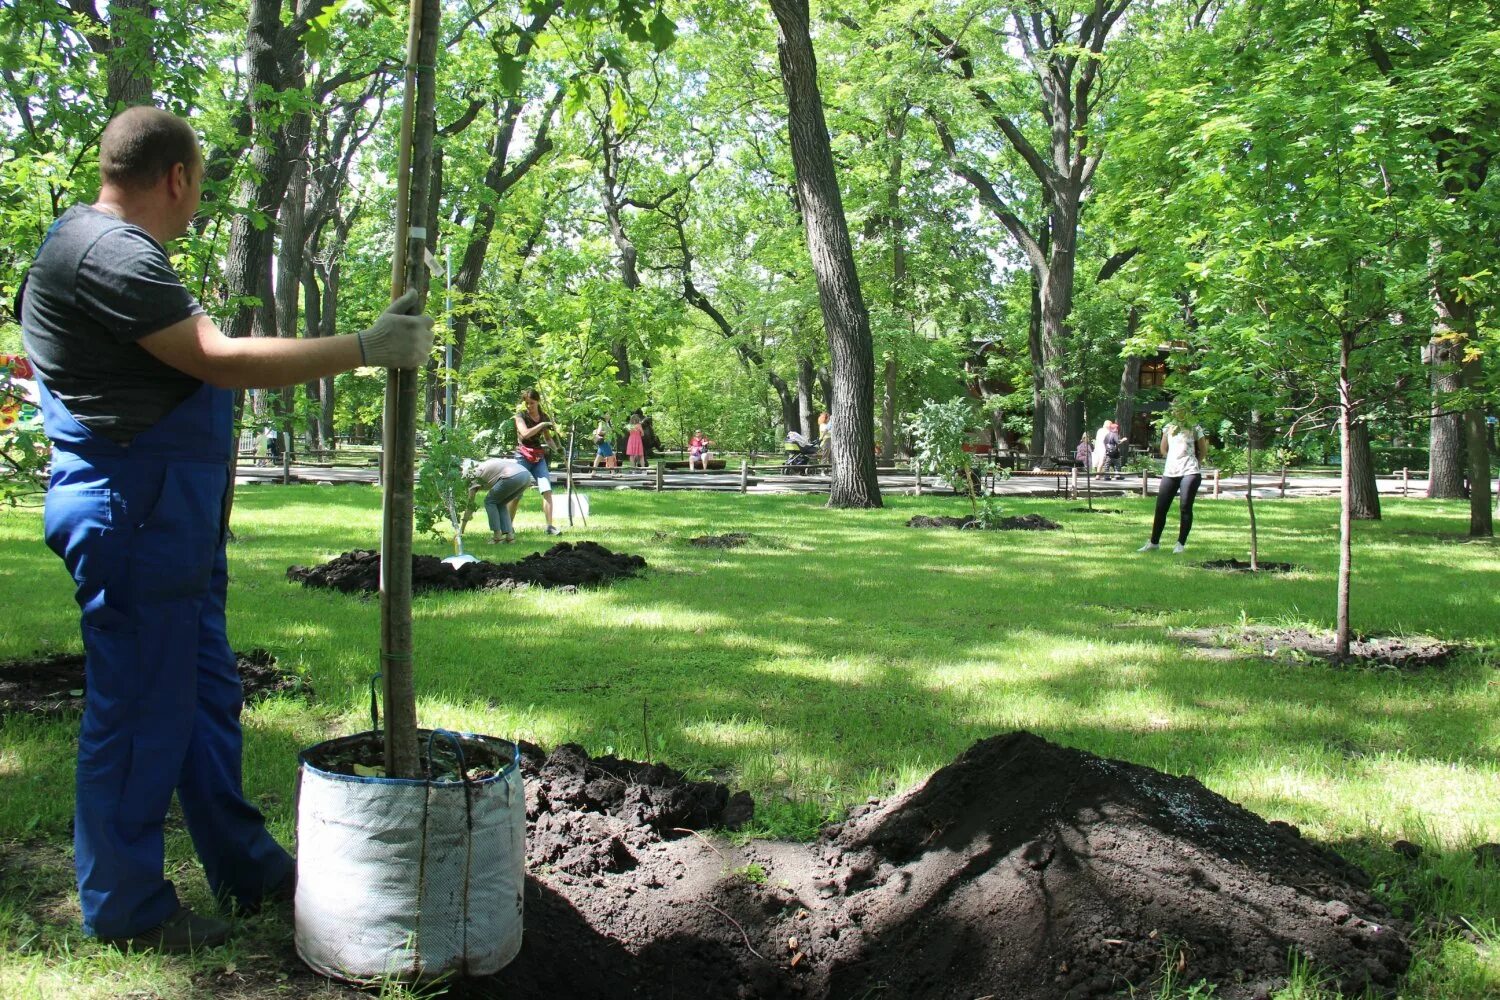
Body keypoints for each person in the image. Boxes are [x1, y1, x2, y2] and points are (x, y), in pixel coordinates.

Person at [18, 106, 434, 952]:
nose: (197, 197)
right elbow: (214, 356)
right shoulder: (111, 252)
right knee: (137, 712)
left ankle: (246, 868)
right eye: (200, 183)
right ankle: (127, 909)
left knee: (205, 700)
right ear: (177, 177)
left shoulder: (93, 246)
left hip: (167, 517)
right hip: (135, 511)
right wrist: (365, 346)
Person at [1140, 410, 1209, 553]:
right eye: (1175, 409)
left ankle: (1180, 544)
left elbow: (1203, 450)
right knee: (1161, 508)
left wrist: (1196, 461)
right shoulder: (1169, 427)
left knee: (1185, 507)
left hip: (1190, 471)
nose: (1178, 412)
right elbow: (1163, 449)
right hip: (1170, 472)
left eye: (1181, 408)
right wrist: (1173, 459)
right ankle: (1154, 543)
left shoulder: (1195, 428)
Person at [513, 389, 561, 535]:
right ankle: (508, 526)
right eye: (527, 403)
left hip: (538, 457)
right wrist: (542, 425)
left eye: (532, 403)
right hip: (522, 455)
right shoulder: (520, 416)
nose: (529, 406)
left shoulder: (544, 416)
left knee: (546, 490)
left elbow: (547, 439)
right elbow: (525, 433)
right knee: (516, 493)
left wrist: (557, 449)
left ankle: (549, 526)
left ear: (538, 401)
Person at [463, 456, 533, 544]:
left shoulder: (471, 475)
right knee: (501, 503)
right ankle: (510, 536)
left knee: (489, 501)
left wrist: (461, 530)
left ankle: (497, 536)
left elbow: (470, 506)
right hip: (526, 475)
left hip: (512, 476)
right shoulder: (481, 467)